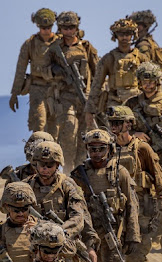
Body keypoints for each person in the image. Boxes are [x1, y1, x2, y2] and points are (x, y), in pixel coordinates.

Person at [70, 129, 140, 262]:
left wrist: (133, 236)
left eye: (101, 149)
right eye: (93, 149)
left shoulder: (120, 173)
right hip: (88, 238)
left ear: (109, 149)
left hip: (113, 236)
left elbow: (131, 207)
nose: (97, 153)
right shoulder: (78, 176)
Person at [107, 106, 162, 262]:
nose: (114, 127)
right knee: (117, 256)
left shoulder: (142, 149)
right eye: (112, 123)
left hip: (143, 213)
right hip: (118, 212)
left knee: (136, 257)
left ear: (129, 124)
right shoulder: (107, 149)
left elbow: (160, 178)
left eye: (118, 123)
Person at [125, 62, 162, 203]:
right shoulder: (131, 103)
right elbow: (120, 128)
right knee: (140, 198)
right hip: (138, 158)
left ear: (157, 82)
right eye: (144, 82)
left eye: (151, 81)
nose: (148, 85)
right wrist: (134, 134)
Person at [48, 11, 99, 172]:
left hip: (85, 97)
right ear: (60, 28)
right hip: (65, 98)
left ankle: (80, 170)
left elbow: (97, 71)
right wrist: (58, 71)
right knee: (68, 132)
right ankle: (68, 170)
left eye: (71, 27)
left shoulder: (86, 47)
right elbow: (44, 69)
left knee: (85, 136)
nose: (68, 31)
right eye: (65, 28)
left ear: (76, 28)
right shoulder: (55, 48)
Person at [84, 18, 149, 130]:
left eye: (128, 34)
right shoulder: (108, 59)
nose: (124, 37)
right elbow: (96, 85)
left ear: (133, 35)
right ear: (115, 36)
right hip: (115, 103)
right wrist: (89, 111)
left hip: (137, 105)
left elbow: (152, 84)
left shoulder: (142, 59)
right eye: (121, 34)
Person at [9, 8, 59, 136]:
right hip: (37, 88)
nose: (46, 31)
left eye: (49, 27)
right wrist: (14, 93)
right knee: (39, 123)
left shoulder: (60, 42)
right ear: (38, 26)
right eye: (43, 27)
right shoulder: (30, 44)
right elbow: (20, 70)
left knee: (56, 127)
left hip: (58, 89)